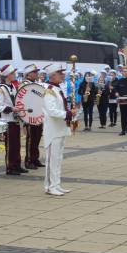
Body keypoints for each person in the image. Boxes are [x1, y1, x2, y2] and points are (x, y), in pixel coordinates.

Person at [42, 64, 76, 196]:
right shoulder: (49, 89)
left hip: (60, 128)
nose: (63, 75)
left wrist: (69, 112)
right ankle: (50, 186)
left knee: (58, 158)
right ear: (53, 75)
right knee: (52, 160)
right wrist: (67, 114)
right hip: (53, 129)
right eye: (60, 73)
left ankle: (56, 184)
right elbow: (51, 111)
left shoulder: (57, 88)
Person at [0, 64, 28, 175]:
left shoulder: (13, 87)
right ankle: (10, 167)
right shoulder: (1, 89)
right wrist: (11, 109)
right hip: (8, 120)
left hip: (16, 119)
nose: (15, 75)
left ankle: (17, 165)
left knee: (17, 144)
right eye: (13, 73)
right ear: (7, 75)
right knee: (10, 145)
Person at [20, 64, 45, 170]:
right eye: (34, 72)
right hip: (30, 115)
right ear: (28, 74)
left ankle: (35, 158)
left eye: (36, 72)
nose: (36, 74)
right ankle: (29, 160)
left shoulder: (35, 84)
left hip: (38, 114)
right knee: (31, 139)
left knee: (37, 137)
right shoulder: (24, 85)